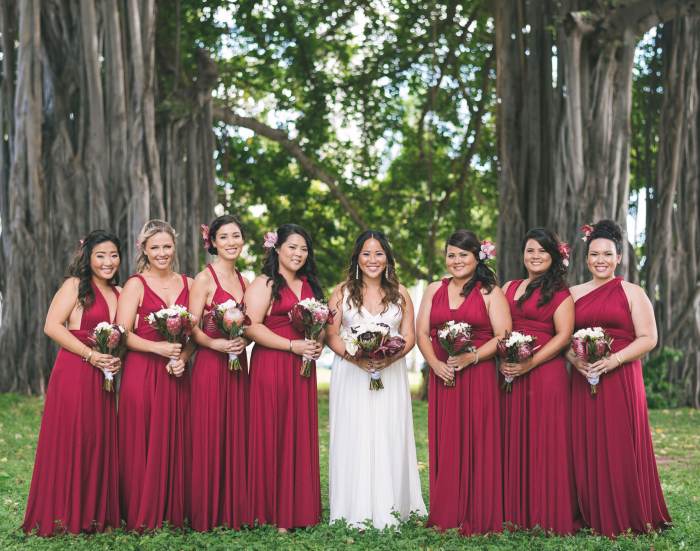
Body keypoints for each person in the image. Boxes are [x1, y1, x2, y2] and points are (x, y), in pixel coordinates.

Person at [568, 219, 671, 536]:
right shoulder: (572, 293)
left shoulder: (632, 292)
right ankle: (588, 511)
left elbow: (648, 337)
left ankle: (625, 512)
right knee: (584, 442)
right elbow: (562, 338)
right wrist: (576, 360)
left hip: (622, 378)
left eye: (607, 254)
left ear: (618, 257)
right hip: (583, 378)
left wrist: (613, 360)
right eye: (595, 254)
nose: (601, 260)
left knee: (620, 441)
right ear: (586, 258)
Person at [23, 231, 122, 535]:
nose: (108, 262)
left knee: (98, 439)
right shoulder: (75, 286)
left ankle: (93, 514)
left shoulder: (119, 292)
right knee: (73, 437)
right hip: (75, 370)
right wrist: (91, 355)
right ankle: (63, 515)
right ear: (87, 257)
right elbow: (52, 326)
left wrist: (115, 356)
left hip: (104, 375)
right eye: (100, 255)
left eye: (114, 255)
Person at [326, 230, 426, 529]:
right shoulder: (341, 292)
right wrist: (355, 357)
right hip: (352, 373)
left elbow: (409, 336)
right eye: (366, 253)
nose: (372, 259)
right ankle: (352, 506)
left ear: (387, 258)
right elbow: (331, 334)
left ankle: (393, 505)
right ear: (357, 257)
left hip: (390, 372)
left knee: (388, 431)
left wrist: (389, 357)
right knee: (353, 432)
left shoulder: (401, 293)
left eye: (378, 253)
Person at [416, 230, 510, 535]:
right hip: (444, 376)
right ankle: (447, 511)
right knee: (447, 439)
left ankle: (478, 510)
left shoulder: (489, 292)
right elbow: (421, 333)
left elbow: (503, 336)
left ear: (477, 257)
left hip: (478, 375)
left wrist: (473, 358)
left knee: (478, 438)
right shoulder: (433, 289)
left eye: (463, 255)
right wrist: (435, 365)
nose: (456, 261)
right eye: (451, 254)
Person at [500, 228, 580, 534]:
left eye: (542, 252)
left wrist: (530, 363)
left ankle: (546, 512)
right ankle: (513, 511)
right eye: (530, 250)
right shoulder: (509, 287)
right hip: (510, 372)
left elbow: (563, 337)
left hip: (546, 375)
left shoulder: (560, 293)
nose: (535, 256)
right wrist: (506, 360)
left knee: (545, 441)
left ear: (553, 256)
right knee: (513, 437)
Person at [244, 224, 323, 531]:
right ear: (276, 249)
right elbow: (251, 326)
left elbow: (321, 324)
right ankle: (271, 511)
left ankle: (301, 508)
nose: (298, 254)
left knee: (298, 433)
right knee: (273, 432)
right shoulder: (264, 283)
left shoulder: (311, 286)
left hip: (303, 368)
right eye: (292, 247)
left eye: (304, 249)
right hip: (273, 364)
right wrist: (292, 344)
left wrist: (316, 343)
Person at [117, 219, 193, 531]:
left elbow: (193, 337)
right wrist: (158, 349)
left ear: (175, 247)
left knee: (176, 437)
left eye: (166, 246)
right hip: (142, 371)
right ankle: (139, 512)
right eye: (155, 247)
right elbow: (122, 333)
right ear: (144, 250)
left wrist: (183, 357)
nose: (162, 252)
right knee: (141, 438)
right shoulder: (135, 284)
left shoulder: (188, 283)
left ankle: (172, 511)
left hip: (176, 371)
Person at [188, 215, 251, 531]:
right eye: (224, 237)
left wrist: (242, 339)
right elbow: (192, 327)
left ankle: (232, 508)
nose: (231, 242)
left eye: (236, 235)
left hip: (238, 367)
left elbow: (252, 325)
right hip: (211, 367)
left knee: (235, 431)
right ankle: (206, 511)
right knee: (210, 432)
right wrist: (217, 344)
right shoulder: (204, 278)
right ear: (212, 242)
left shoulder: (245, 281)